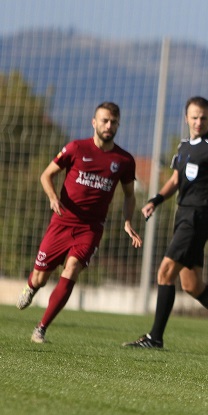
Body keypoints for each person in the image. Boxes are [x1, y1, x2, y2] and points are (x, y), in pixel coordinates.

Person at [123, 96, 208, 349]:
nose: (198, 121)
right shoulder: (183, 147)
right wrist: (156, 200)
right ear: (186, 118)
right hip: (183, 215)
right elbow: (175, 180)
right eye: (194, 117)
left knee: (164, 272)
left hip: (198, 217)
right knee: (192, 285)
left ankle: (155, 338)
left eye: (203, 117)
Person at [16, 101, 143, 343]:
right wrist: (53, 197)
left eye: (113, 122)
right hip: (62, 222)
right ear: (94, 122)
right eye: (104, 120)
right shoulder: (76, 148)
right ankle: (31, 287)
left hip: (90, 228)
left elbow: (129, 195)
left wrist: (127, 221)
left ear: (118, 125)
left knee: (72, 268)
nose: (109, 125)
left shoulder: (124, 160)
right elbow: (46, 175)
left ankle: (41, 328)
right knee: (40, 277)